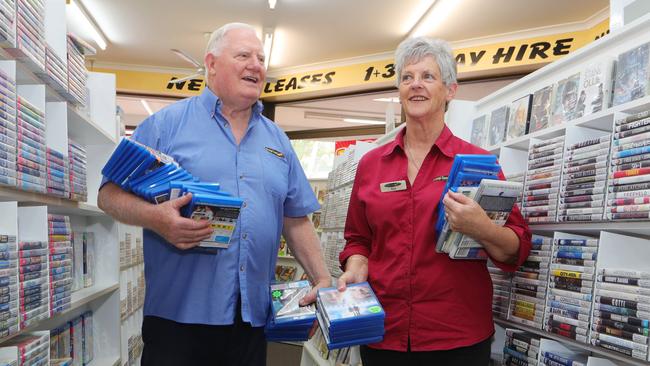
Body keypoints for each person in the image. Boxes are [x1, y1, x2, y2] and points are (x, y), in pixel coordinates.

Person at [97, 22, 331, 366]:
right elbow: (108, 194)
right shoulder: (165, 126)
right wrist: (157, 219)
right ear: (212, 63)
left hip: (249, 321)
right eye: (243, 55)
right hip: (177, 320)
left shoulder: (277, 141)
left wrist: (322, 277)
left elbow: (294, 218)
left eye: (261, 58)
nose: (256, 64)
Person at [337, 37, 532, 366]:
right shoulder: (372, 164)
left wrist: (481, 228)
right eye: (407, 77)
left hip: (456, 338)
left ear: (450, 90)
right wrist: (356, 267)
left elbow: (517, 246)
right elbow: (358, 239)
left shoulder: (478, 162)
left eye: (428, 77)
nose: (416, 85)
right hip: (384, 335)